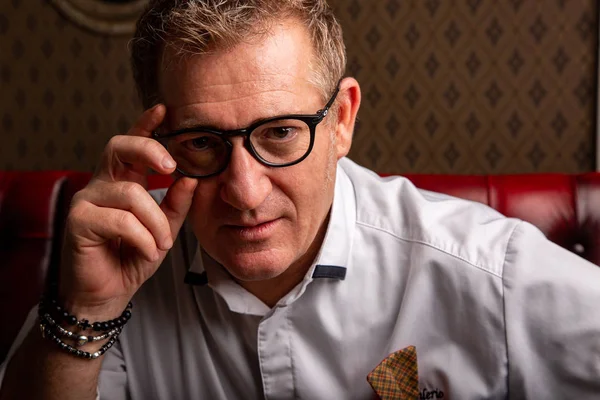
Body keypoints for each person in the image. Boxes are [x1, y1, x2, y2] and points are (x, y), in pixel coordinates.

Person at [2, 0, 600, 398]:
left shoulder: (492, 273)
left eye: (281, 132)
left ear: (341, 120)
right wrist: (87, 308)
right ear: (159, 143)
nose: (244, 191)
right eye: (204, 142)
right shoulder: (120, 276)